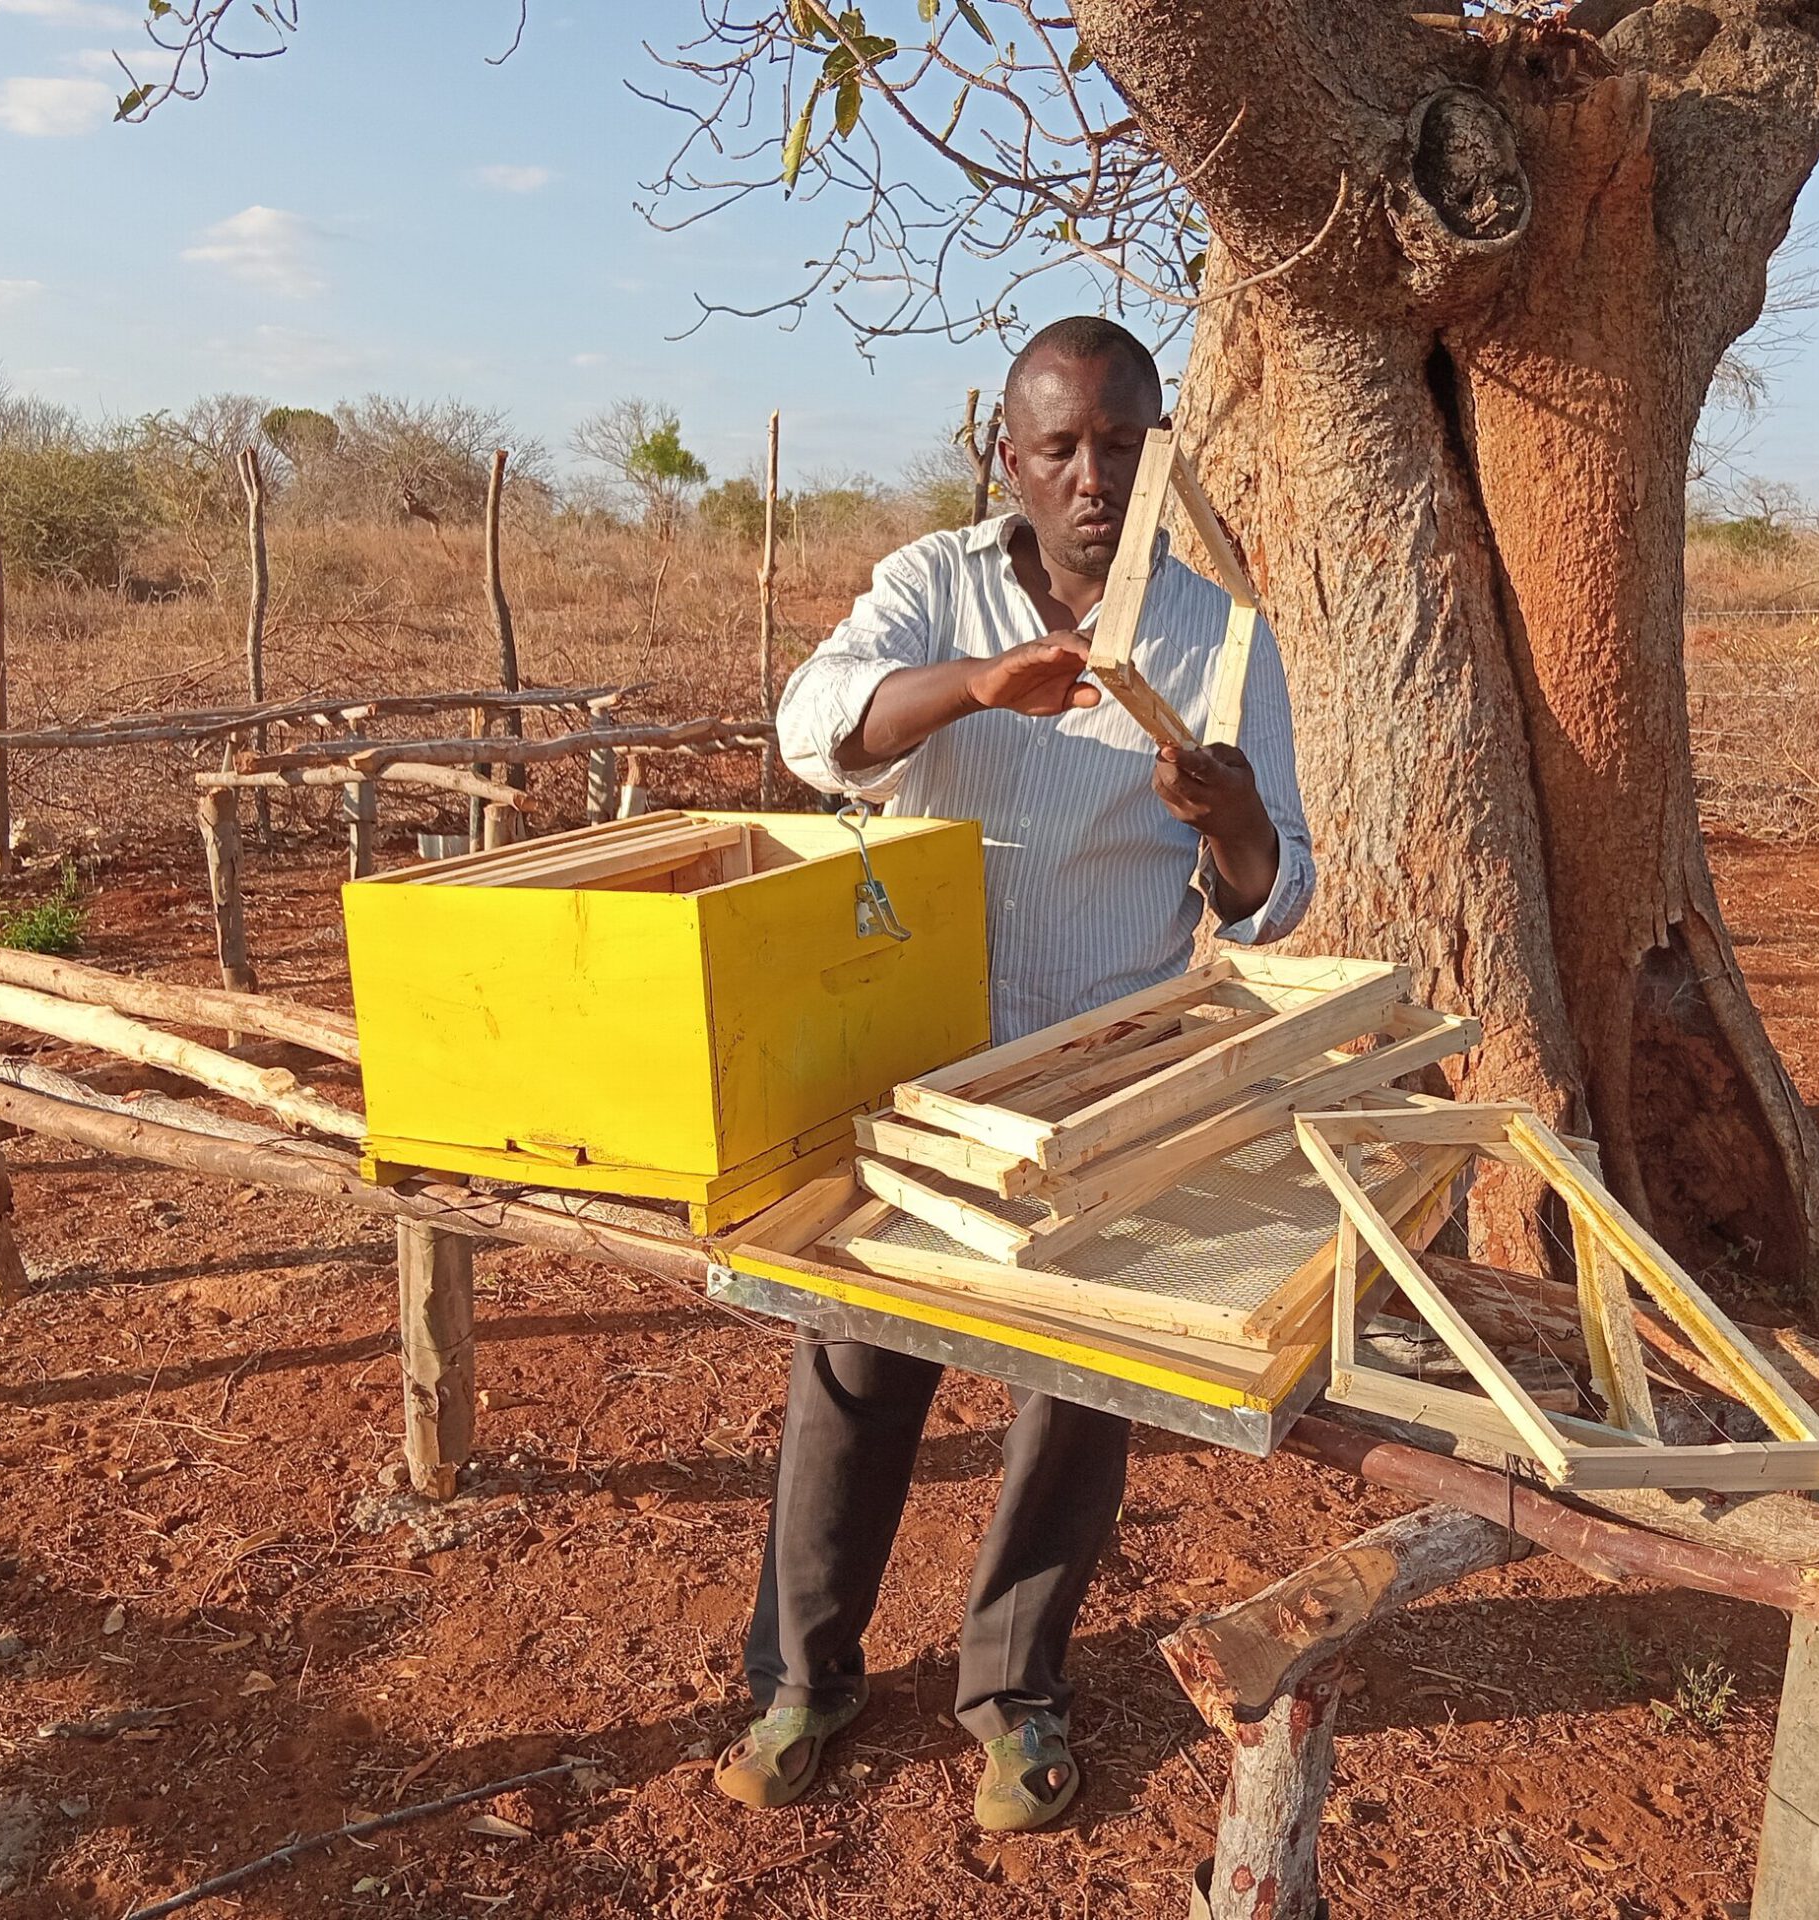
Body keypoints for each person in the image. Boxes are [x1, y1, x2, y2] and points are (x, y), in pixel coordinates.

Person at [716, 315, 1314, 1833]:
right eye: (1062, 446)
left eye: (1123, 444)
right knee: (854, 1358)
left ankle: (1014, 1687)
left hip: (1104, 1070)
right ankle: (806, 1673)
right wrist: (979, 685)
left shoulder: (1220, 637)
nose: (1094, 476)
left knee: (1073, 1386)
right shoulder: (933, 588)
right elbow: (810, 731)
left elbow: (1273, 886)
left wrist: (1230, 818)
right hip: (914, 1058)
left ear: (1161, 452)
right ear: (1009, 454)